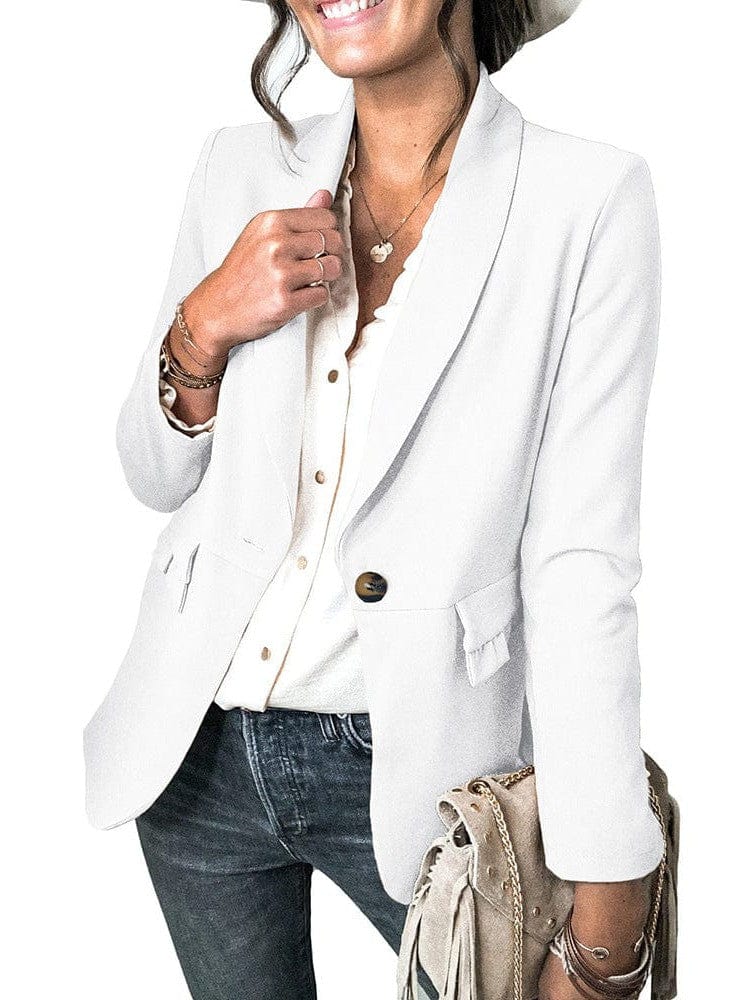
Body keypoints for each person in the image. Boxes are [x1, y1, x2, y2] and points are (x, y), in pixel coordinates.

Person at [83, 2, 667, 997]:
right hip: (197, 756)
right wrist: (204, 324)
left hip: (432, 775)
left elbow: (581, 565)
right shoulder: (238, 167)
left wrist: (611, 891)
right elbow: (155, 474)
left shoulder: (585, 199)